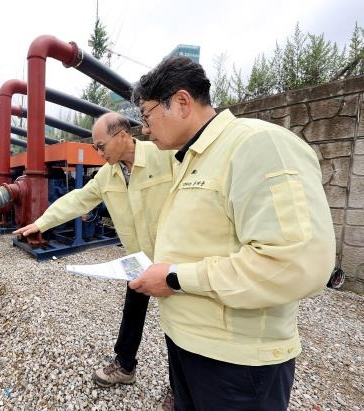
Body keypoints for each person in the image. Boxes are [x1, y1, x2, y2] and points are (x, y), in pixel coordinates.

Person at [128, 56, 335, 410]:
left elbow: (296, 262)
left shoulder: (258, 145)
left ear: (181, 102)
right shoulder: (193, 156)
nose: (144, 130)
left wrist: (176, 277)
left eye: (146, 116)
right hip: (187, 344)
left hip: (237, 362)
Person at [13, 112, 173, 387]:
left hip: (171, 257)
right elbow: (77, 200)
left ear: (123, 136)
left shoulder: (165, 156)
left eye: (101, 146)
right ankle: (124, 366)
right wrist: (41, 223)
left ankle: (179, 387)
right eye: (95, 147)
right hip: (138, 257)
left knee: (177, 324)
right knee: (133, 309)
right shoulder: (107, 175)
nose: (98, 153)